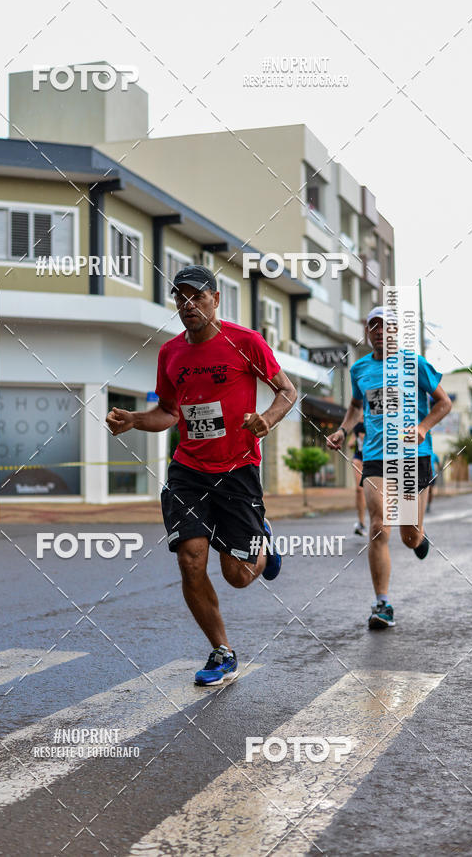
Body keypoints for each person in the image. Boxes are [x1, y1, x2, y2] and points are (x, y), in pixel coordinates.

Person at [106, 265, 297, 685]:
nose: (187, 304)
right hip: (188, 470)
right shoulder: (170, 353)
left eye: (196, 296)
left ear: (215, 299)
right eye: (179, 297)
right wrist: (135, 420)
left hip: (237, 470)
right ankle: (221, 651)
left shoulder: (246, 342)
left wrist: (266, 419)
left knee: (238, 575)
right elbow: (170, 412)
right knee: (191, 561)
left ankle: (261, 538)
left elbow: (287, 390)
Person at [326, 306, 451, 630]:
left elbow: (444, 402)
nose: (380, 331)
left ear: (397, 332)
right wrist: (343, 429)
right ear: (368, 332)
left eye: (387, 326)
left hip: (413, 455)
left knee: (408, 535)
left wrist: (423, 427)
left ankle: (419, 538)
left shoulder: (415, 363)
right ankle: (382, 603)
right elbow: (356, 406)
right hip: (376, 456)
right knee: (380, 524)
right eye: (374, 326)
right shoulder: (360, 369)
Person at [349, 421, 366, 534]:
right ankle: (361, 523)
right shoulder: (357, 424)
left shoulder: (377, 419)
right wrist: (353, 440)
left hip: (374, 457)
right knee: (359, 490)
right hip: (359, 458)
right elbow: (350, 443)